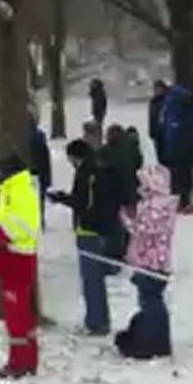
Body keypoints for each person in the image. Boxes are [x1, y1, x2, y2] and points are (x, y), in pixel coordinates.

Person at [48, 140, 130, 336]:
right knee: (97, 279)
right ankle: (99, 319)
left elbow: (82, 202)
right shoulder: (105, 168)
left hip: (89, 229)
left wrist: (61, 198)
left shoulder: (87, 173)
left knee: (91, 280)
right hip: (108, 227)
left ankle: (96, 322)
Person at [0, 154, 41, 378]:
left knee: (16, 313)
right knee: (22, 312)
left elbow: (22, 225)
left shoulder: (19, 192)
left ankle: (19, 362)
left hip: (17, 257)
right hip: (15, 256)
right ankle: (28, 359)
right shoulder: (13, 190)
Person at [115, 165, 177, 360]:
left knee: (149, 302)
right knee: (153, 301)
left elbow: (144, 230)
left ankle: (150, 342)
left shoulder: (154, 205)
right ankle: (158, 341)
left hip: (150, 262)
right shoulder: (163, 203)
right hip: (156, 261)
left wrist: (125, 219)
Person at [29, 114, 53, 227]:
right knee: (40, 199)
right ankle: (40, 219)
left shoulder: (20, 138)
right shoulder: (40, 137)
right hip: (40, 172)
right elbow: (45, 160)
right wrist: (47, 180)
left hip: (27, 173)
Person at [147, 80, 168, 165]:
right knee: (160, 155)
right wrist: (151, 131)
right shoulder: (153, 101)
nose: (157, 91)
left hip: (166, 132)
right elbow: (151, 117)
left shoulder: (167, 100)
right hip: (157, 132)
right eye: (156, 89)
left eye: (159, 88)